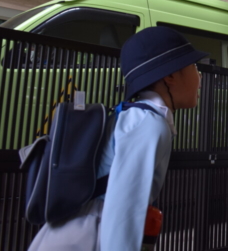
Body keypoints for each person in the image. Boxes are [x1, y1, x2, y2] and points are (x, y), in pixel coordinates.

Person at [28, 26, 208, 251]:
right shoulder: (150, 125)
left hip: (70, 233)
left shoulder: (132, 115)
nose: (199, 77)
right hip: (89, 237)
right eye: (194, 66)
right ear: (170, 76)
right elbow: (124, 211)